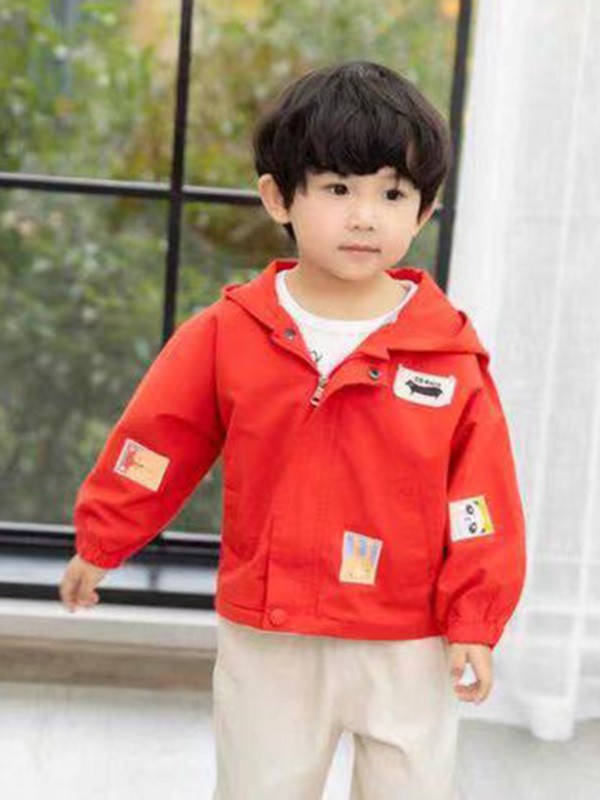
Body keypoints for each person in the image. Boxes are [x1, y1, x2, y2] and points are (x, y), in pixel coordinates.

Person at [59, 60, 527, 799]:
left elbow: (481, 501)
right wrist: (103, 538)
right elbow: (158, 442)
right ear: (278, 196)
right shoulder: (229, 334)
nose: (365, 216)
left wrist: (476, 617)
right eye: (338, 189)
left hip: (407, 638)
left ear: (425, 211)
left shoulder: (448, 356)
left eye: (393, 194)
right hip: (270, 634)